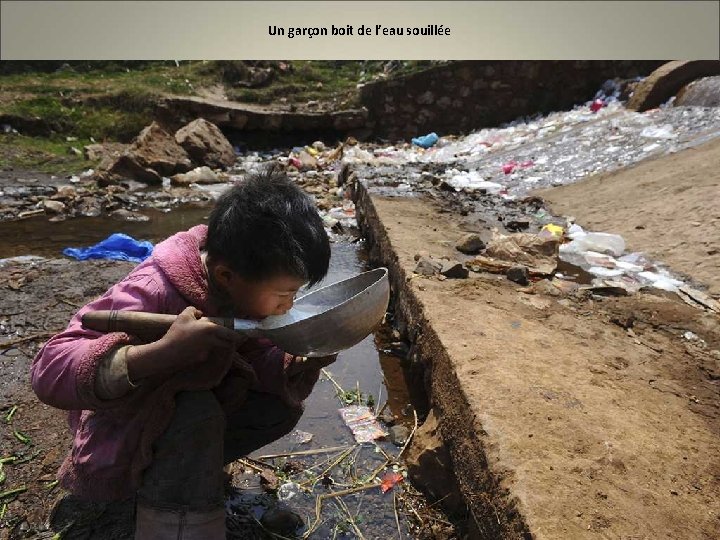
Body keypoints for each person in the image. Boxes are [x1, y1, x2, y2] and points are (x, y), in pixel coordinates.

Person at [31, 166, 336, 539]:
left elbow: (254, 355)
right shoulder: (154, 288)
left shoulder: (242, 286)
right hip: (124, 429)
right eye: (284, 294)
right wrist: (163, 352)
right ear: (225, 275)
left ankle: (188, 475)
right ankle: (168, 516)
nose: (288, 306)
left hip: (179, 421)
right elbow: (49, 367)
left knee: (277, 405)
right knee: (197, 412)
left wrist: (295, 360)